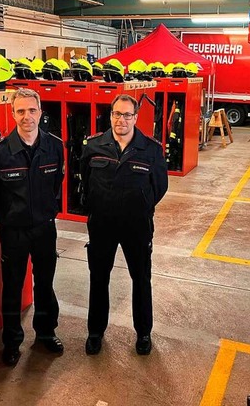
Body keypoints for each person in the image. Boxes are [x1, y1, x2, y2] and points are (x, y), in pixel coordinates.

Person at [0, 88, 65, 366]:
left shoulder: (55, 147)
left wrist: (45, 211)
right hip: (13, 232)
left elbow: (56, 185)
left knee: (45, 283)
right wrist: (9, 215)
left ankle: (45, 333)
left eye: (32, 110)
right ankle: (12, 341)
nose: (26, 116)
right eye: (20, 111)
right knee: (13, 286)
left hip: (44, 228)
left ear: (40, 112)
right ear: (12, 113)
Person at [80, 94, 168, 356]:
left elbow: (160, 186)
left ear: (136, 117)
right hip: (102, 225)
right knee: (98, 278)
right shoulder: (94, 145)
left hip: (137, 226)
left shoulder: (151, 149)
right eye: (116, 114)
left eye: (127, 115)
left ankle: (143, 333)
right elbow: (84, 178)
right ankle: (95, 332)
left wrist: (140, 205)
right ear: (110, 116)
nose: (121, 120)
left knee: (141, 279)